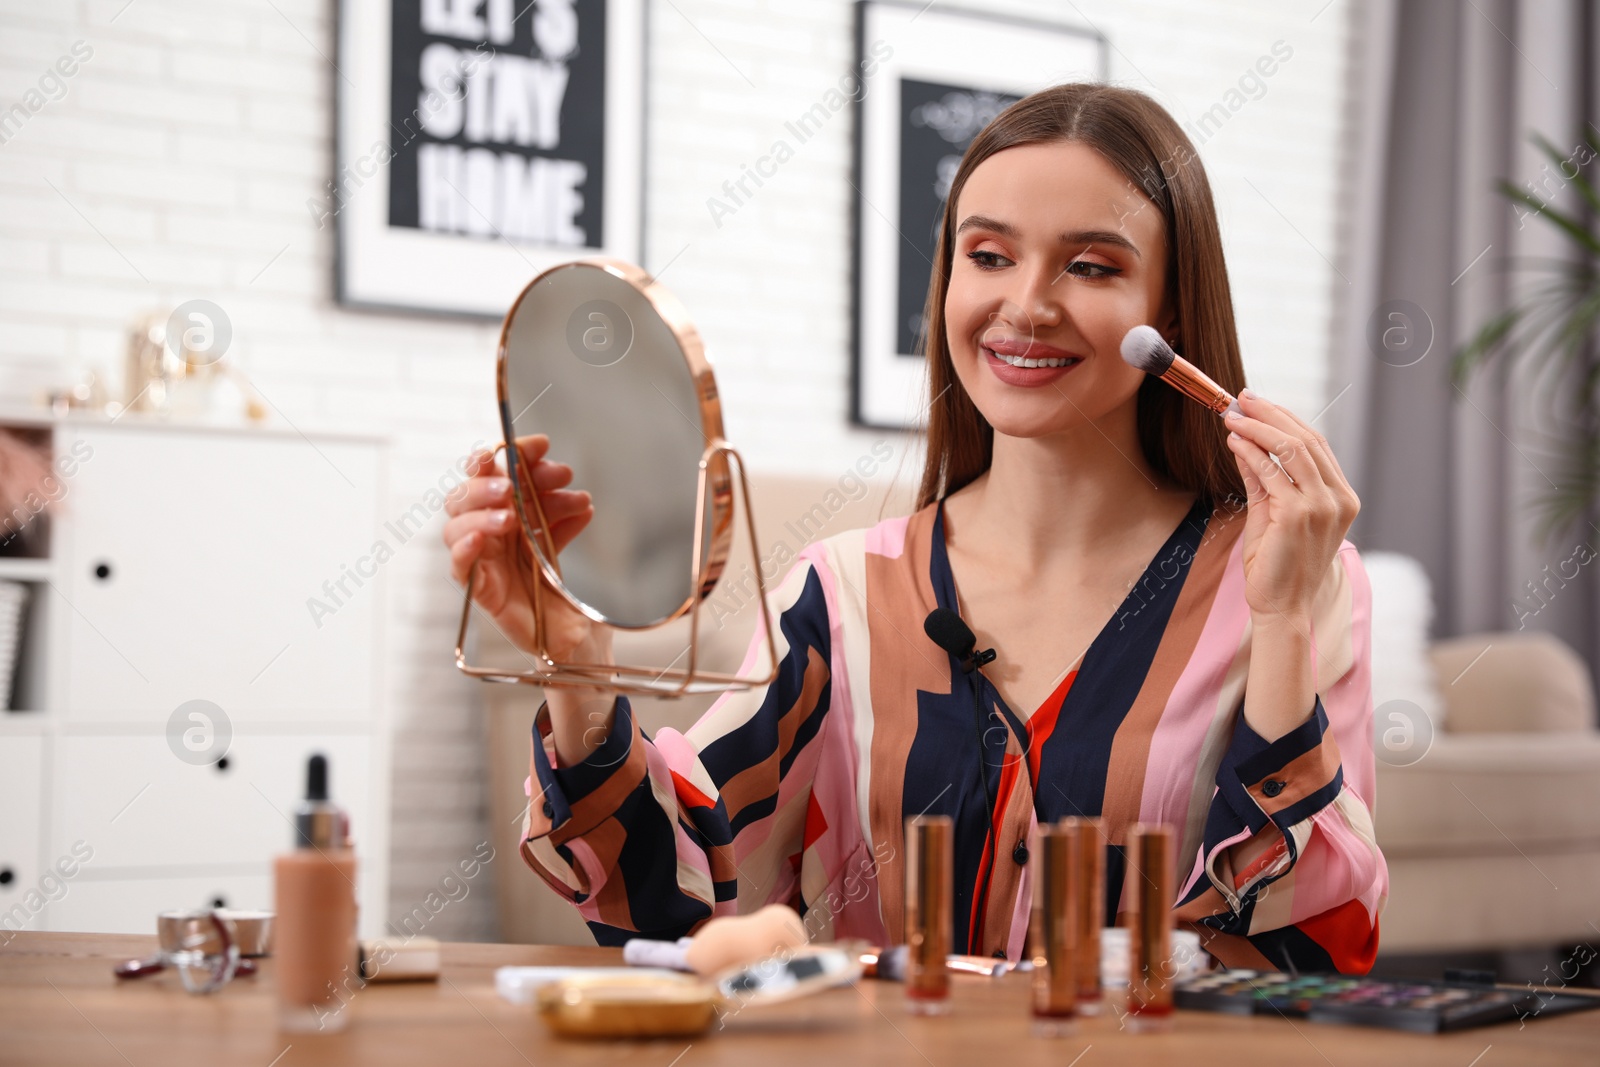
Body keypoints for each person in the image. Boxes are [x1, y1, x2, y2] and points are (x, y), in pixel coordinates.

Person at [443, 83, 1387, 974]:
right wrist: (574, 657)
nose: (1025, 303)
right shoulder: (838, 595)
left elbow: (1304, 957)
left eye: (1091, 266)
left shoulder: (1293, 580)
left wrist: (1278, 619)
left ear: (1170, 309)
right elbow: (671, 908)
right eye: (988, 255)